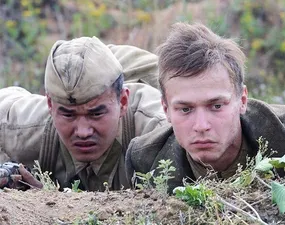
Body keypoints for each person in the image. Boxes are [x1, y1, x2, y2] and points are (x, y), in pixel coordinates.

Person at [125, 22, 285, 191]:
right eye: (185, 109)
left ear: (242, 100)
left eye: (216, 106)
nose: (201, 126)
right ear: (165, 108)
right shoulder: (145, 158)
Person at [0, 36, 166, 191]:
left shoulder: (157, 131)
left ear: (122, 102)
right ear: (50, 104)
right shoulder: (25, 127)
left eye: (95, 114)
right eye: (69, 115)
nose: (83, 132)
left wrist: (51, 199)